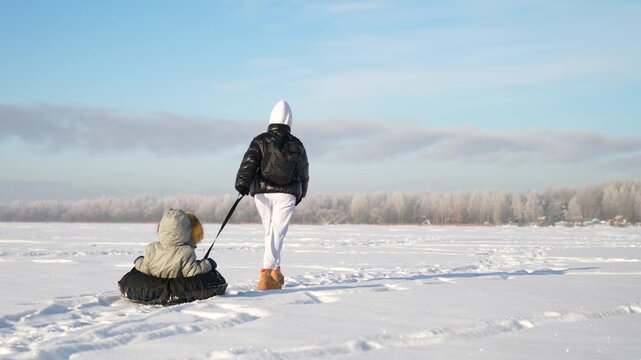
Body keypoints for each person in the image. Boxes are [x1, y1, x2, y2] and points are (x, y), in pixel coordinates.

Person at [235, 100, 309, 290]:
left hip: (262, 193)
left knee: (271, 232)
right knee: (277, 233)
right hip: (287, 194)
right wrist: (301, 193)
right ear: (289, 121)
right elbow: (304, 172)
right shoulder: (297, 144)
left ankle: (275, 270)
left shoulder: (260, 140)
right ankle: (266, 274)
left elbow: (249, 163)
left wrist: (242, 183)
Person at [134, 208, 216, 278]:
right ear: (186, 231)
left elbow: (144, 269)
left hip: (154, 287)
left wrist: (139, 260)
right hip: (176, 289)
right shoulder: (186, 252)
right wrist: (208, 264)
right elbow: (193, 272)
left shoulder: (152, 248)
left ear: (161, 228)